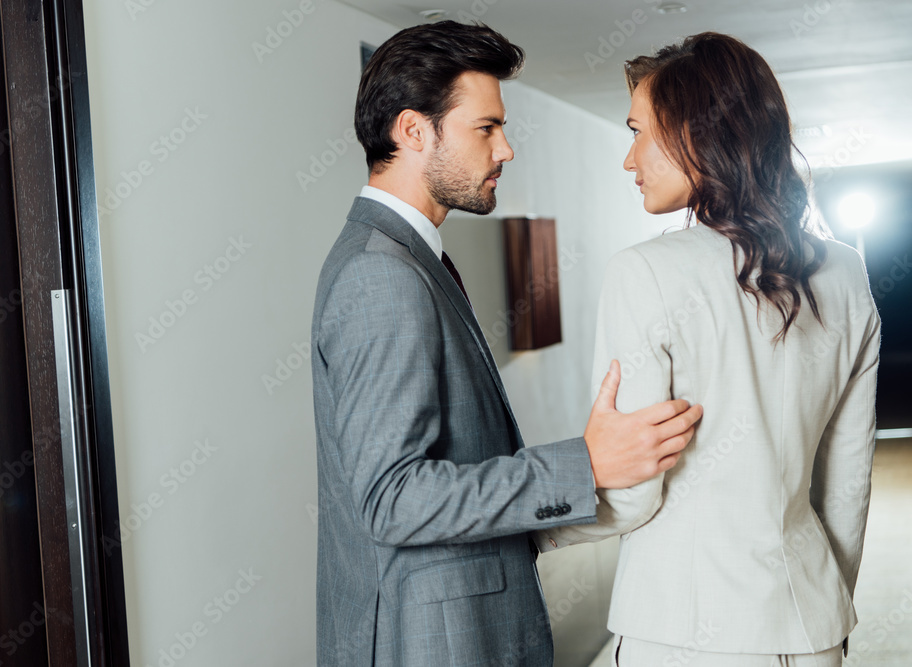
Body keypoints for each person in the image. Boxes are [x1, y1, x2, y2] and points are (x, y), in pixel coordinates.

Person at [310, 21, 703, 666]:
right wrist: (587, 465)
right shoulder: (379, 274)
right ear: (414, 131)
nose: (506, 149)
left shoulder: (407, 259)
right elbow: (393, 499)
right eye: (486, 128)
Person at [536, 32, 881, 667]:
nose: (628, 158)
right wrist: (826, 605)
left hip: (683, 633)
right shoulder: (847, 272)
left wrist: (520, 526)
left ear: (693, 135)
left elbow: (636, 492)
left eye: (638, 131)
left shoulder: (643, 272)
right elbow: (848, 480)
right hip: (812, 627)